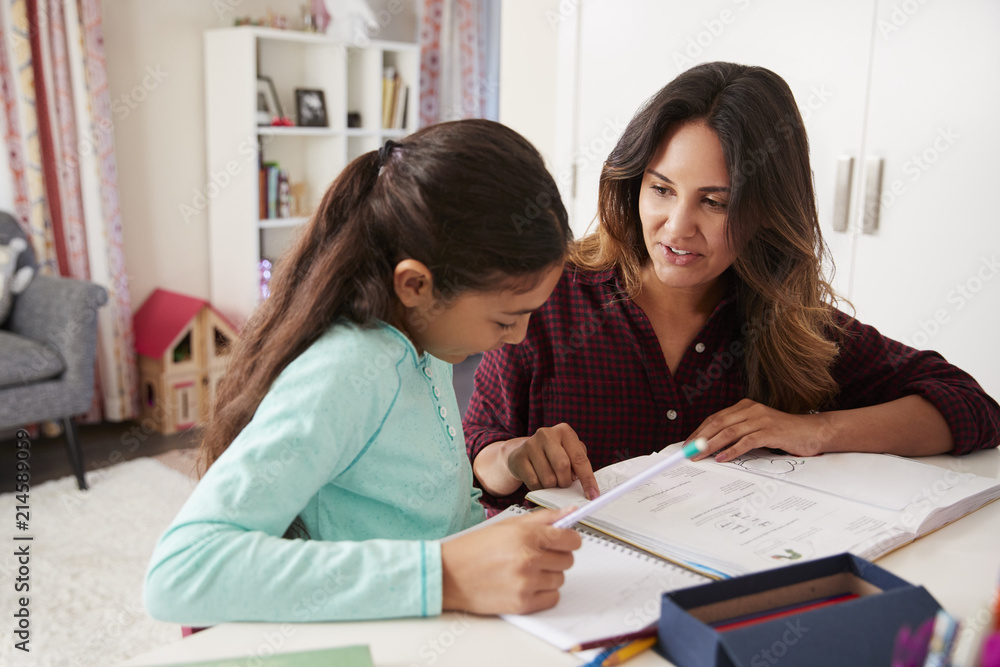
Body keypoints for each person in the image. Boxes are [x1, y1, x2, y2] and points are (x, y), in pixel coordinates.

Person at [464, 62, 1000, 515]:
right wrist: (514, 457)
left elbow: (971, 408)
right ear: (633, 185)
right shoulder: (548, 296)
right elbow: (472, 453)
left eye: (715, 202)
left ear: (766, 211)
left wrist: (813, 431)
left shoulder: (788, 322)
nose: (677, 228)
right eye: (662, 189)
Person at [144, 119, 582, 625]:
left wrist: (505, 471)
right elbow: (180, 572)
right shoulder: (349, 369)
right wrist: (443, 575)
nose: (520, 337)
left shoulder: (427, 342)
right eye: (505, 320)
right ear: (415, 286)